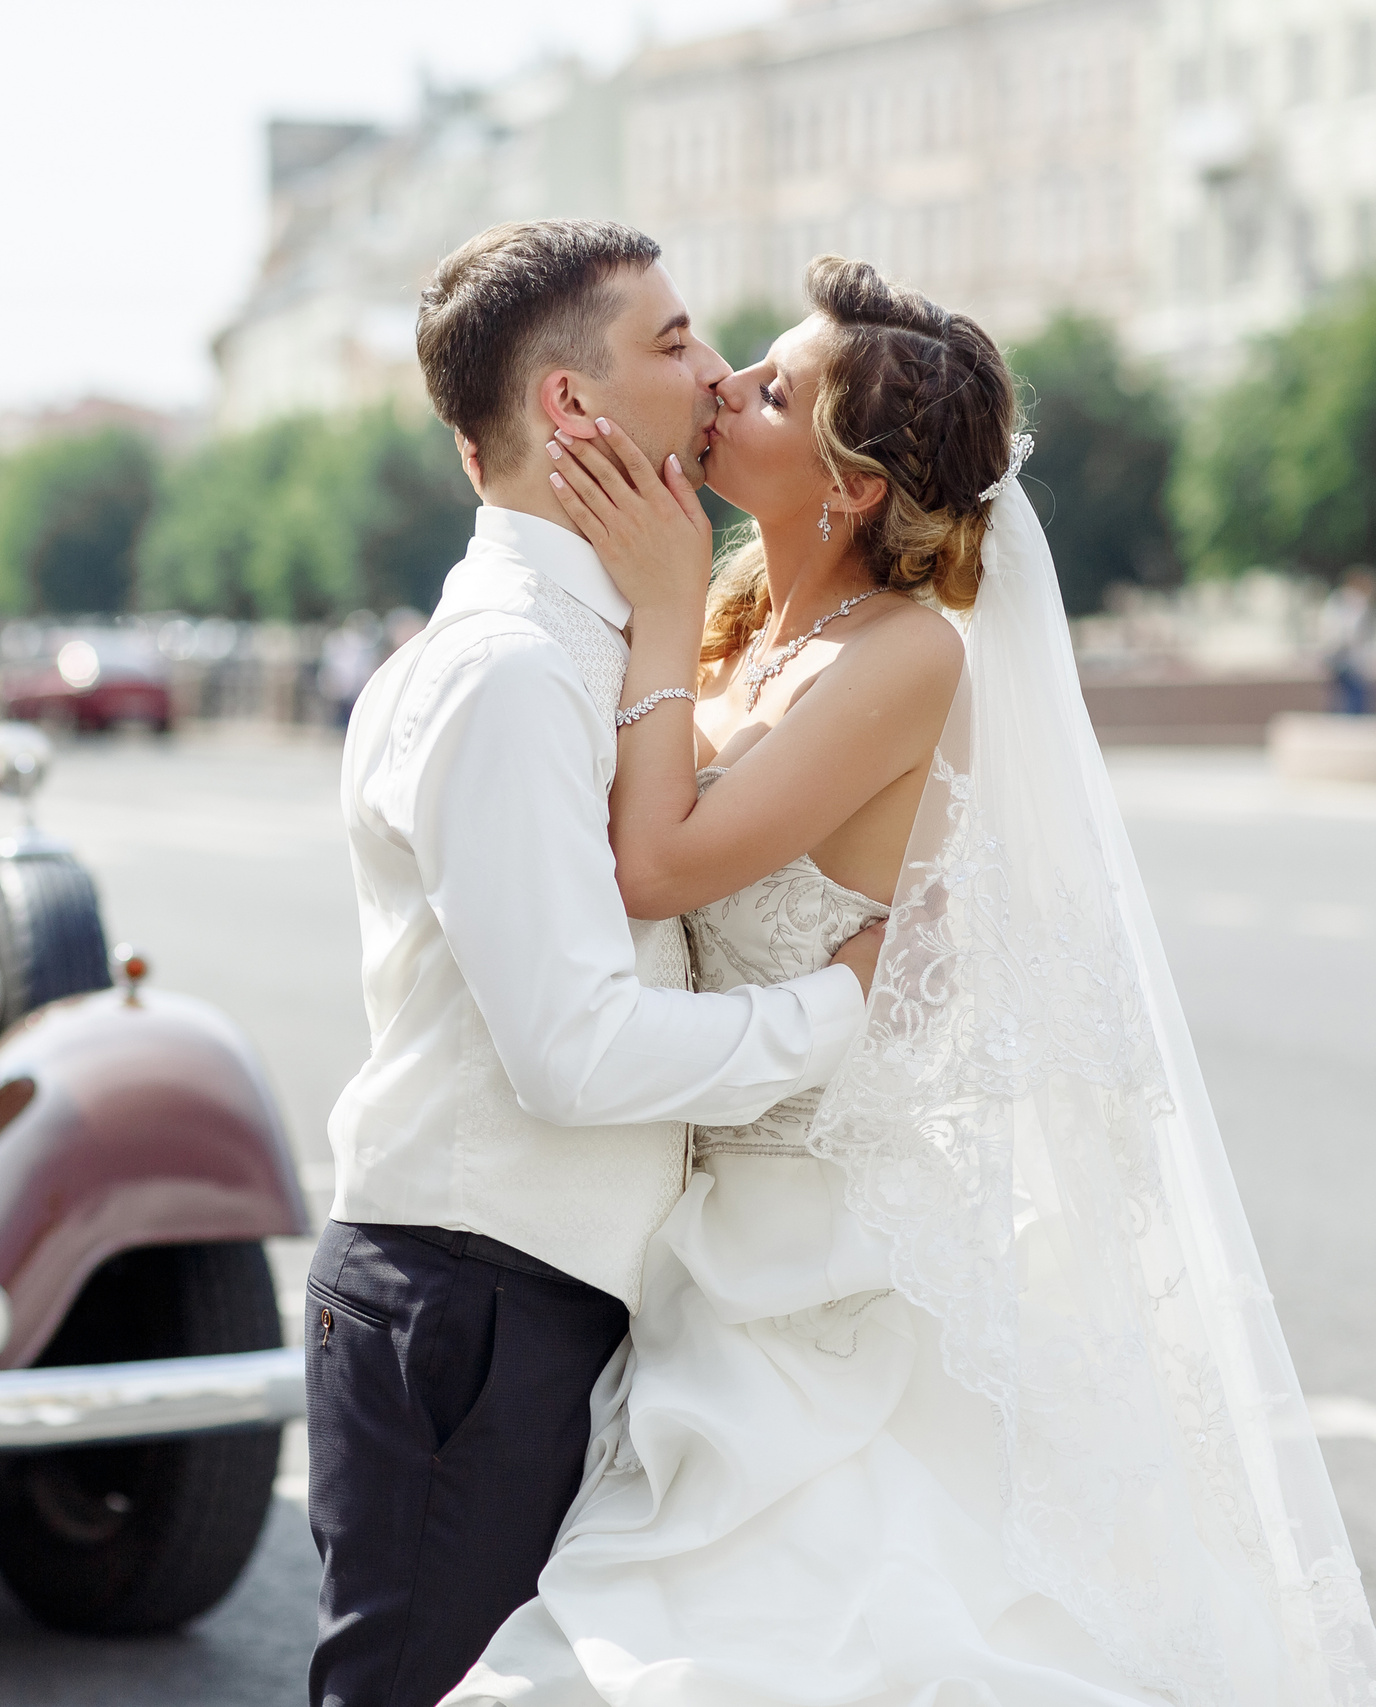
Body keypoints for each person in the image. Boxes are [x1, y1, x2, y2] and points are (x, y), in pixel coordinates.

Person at [445, 257, 1376, 1703]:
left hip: (819, 1248)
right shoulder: (747, 621)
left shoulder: (907, 656)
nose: (718, 389)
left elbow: (654, 864)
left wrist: (657, 592)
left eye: (768, 388)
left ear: (854, 486)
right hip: (693, 1217)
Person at [307, 220, 888, 1707]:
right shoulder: (506, 669)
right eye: (675, 339)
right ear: (570, 408)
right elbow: (574, 1052)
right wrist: (841, 1001)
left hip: (544, 1296)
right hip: (474, 1299)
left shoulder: (596, 646)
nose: (714, 367)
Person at [1318, 567, 1375, 715]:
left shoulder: (1337, 599)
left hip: (1339, 655)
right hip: (1345, 657)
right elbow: (1352, 632)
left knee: (1342, 693)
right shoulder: (1352, 601)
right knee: (1353, 694)